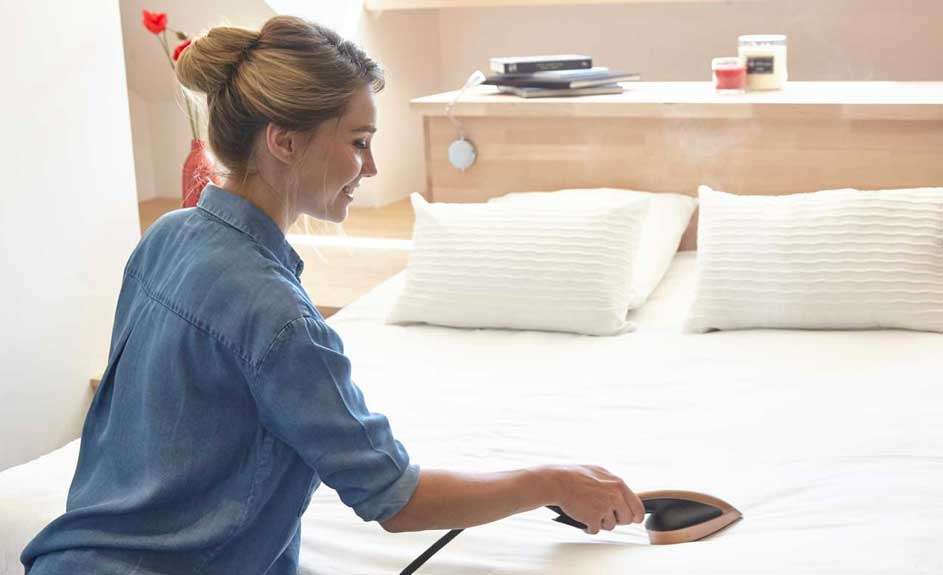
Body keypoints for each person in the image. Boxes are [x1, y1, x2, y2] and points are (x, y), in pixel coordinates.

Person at [21, 15, 644, 574]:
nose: (369, 169)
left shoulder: (167, 235)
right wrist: (551, 481)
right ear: (284, 141)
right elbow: (395, 500)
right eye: (358, 141)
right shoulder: (282, 321)